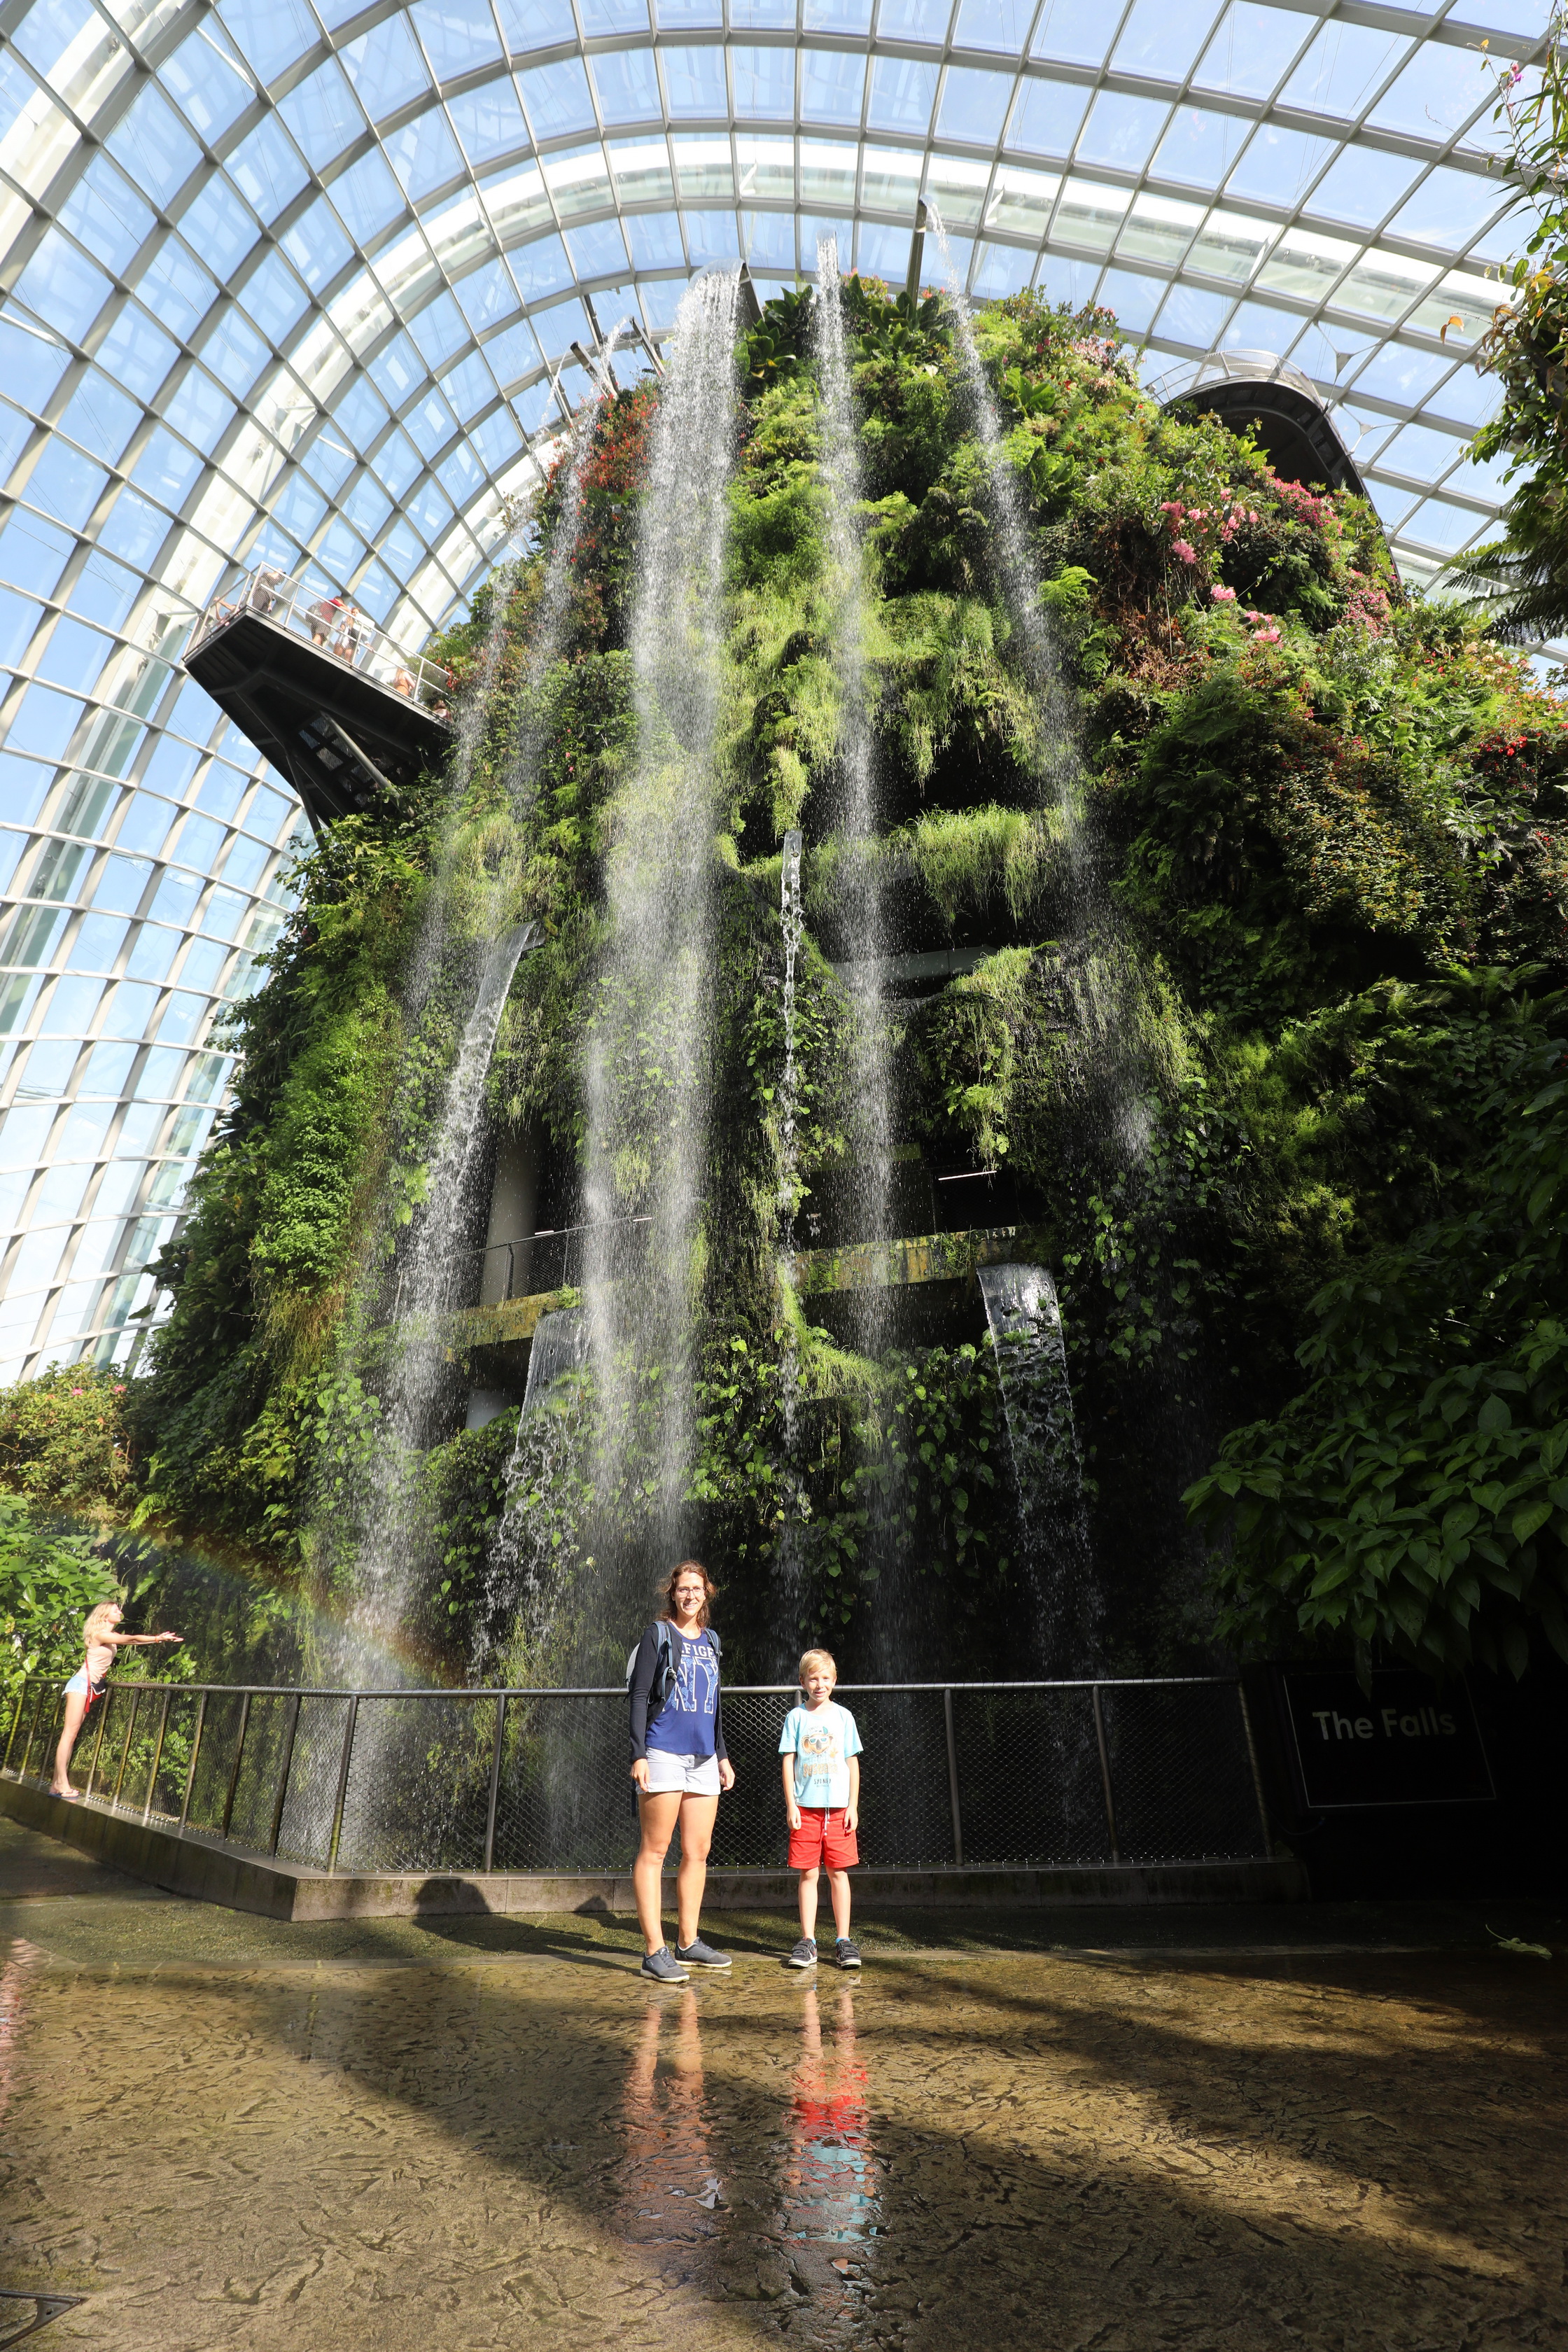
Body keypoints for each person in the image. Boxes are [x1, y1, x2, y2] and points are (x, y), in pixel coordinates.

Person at [628, 1560, 735, 1982]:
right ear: (672, 1594)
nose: (690, 1595)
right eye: (682, 1589)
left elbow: (715, 1706)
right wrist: (638, 1754)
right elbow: (638, 1697)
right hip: (663, 1752)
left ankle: (688, 1942)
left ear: (707, 1593)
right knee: (655, 1851)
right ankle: (654, 1950)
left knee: (698, 1851)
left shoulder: (711, 1640)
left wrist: (722, 1755)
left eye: (697, 1588)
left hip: (704, 1758)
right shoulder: (657, 1635)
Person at [780, 1648, 862, 1971]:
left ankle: (843, 1940)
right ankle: (808, 1941)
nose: (819, 1684)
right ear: (802, 1682)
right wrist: (791, 1804)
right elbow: (788, 1762)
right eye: (813, 1679)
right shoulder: (796, 1718)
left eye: (825, 1678)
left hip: (840, 1809)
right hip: (806, 1809)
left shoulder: (843, 1717)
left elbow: (852, 1763)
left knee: (839, 1873)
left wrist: (853, 1805)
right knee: (808, 1874)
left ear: (834, 1681)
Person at [50, 1602, 182, 1800]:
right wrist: (157, 1637)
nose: (120, 1612)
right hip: (80, 1686)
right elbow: (130, 1638)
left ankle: (56, 1784)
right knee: (68, 1736)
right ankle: (61, 1783)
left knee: (71, 1736)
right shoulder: (100, 1635)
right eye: (115, 1610)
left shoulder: (109, 1638)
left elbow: (132, 1642)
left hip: (87, 1688)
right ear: (104, 1615)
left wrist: (157, 1640)